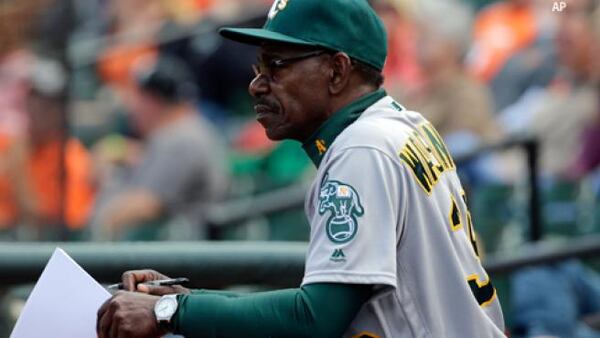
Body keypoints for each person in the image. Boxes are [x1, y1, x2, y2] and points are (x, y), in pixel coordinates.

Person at [96, 0, 505, 337]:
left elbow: (315, 320)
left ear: (336, 70)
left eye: (276, 66)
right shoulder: (398, 124)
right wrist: (183, 299)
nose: (257, 85)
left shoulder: (362, 149)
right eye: (259, 68)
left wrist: (171, 310)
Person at [91, 55, 228, 240]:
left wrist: (107, 181)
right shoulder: (174, 134)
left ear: (154, 100)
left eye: (138, 97)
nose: (131, 107)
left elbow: (145, 206)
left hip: (178, 252)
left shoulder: (182, 139)